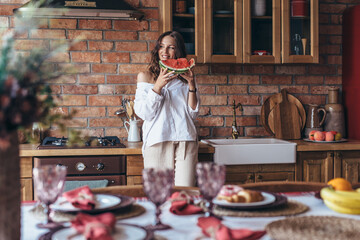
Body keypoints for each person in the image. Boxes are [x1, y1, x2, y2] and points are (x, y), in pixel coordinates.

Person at [134, 31, 199, 187]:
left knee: (185, 193)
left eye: (171, 47)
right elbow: (145, 113)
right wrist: (158, 86)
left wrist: (191, 85)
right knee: (159, 195)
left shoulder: (186, 78)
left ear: (178, 52)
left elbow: (193, 114)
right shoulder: (145, 77)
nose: (165, 51)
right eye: (161, 46)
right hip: (157, 141)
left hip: (186, 141)